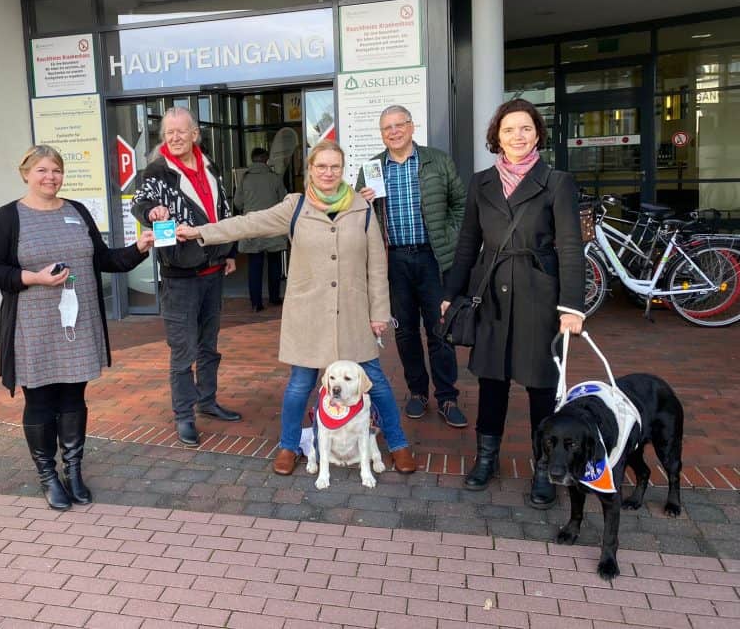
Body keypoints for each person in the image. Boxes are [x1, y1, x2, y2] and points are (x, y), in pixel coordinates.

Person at [177, 140, 417, 476]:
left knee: (374, 381)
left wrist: (379, 312)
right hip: (308, 316)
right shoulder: (296, 206)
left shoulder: (362, 209)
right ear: (310, 170)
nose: (328, 173)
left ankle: (398, 444)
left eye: (335, 166)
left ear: (343, 169)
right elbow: (248, 223)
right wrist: (200, 232)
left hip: (352, 314)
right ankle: (288, 446)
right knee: (299, 386)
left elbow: (377, 265)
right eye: (321, 166)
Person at [0, 145, 154, 510]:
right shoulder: (8, 217)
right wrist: (34, 278)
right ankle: (48, 475)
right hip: (34, 327)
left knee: (74, 398)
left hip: (76, 323)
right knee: (41, 400)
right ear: (26, 173)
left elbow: (104, 258)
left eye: (56, 170)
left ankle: (73, 470)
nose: (50, 177)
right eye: (42, 170)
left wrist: (139, 248)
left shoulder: (76, 211)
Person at [441, 98, 585, 509]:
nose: (517, 136)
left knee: (541, 385)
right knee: (491, 381)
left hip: (540, 296)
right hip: (491, 293)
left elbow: (571, 247)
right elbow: (468, 243)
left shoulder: (556, 182)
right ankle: (487, 458)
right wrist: (451, 294)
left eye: (525, 128)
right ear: (496, 137)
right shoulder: (480, 182)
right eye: (508, 130)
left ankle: (545, 468)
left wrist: (572, 306)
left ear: (537, 133)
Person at [131, 107, 241, 447]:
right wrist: (152, 211)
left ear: (195, 134)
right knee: (183, 350)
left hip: (213, 271)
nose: (174, 138)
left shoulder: (210, 165)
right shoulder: (157, 171)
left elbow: (224, 211)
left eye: (181, 132)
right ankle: (184, 415)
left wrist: (231, 253)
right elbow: (140, 201)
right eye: (168, 133)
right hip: (180, 276)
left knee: (209, 346)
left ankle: (207, 401)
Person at [356, 105, 468, 428]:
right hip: (394, 261)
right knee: (404, 331)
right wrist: (361, 202)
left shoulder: (437, 160)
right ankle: (418, 392)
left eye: (398, 125)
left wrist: (450, 236)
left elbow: (459, 203)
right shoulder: (372, 168)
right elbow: (356, 214)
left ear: (411, 126)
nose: (393, 132)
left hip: (432, 258)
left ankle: (447, 397)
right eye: (386, 128)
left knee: (439, 328)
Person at [234, 147, 287, 311]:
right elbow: (284, 201)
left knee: (254, 266)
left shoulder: (245, 179)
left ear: (252, 159)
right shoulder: (275, 178)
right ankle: (274, 297)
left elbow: (237, 203)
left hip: (253, 227)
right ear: (266, 160)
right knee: (274, 264)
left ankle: (256, 303)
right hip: (272, 226)